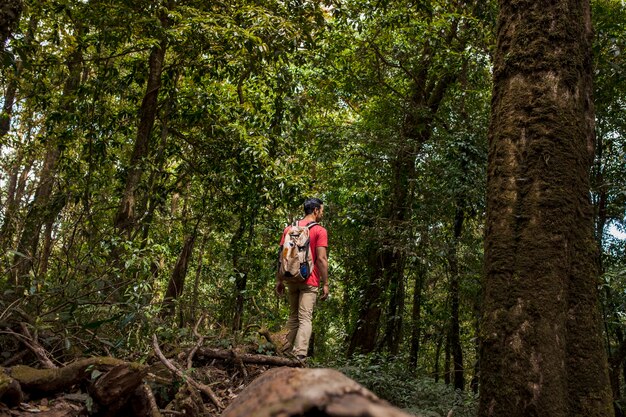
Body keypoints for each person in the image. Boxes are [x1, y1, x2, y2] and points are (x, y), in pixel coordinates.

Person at [275, 197, 329, 360]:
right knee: (305, 317)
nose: (322, 213)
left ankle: (281, 349)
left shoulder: (289, 229)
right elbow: (321, 259)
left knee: (293, 316)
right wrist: (325, 283)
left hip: (291, 278)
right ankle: (300, 354)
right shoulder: (320, 231)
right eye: (322, 210)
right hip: (309, 280)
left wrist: (279, 280)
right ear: (315, 210)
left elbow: (281, 257)